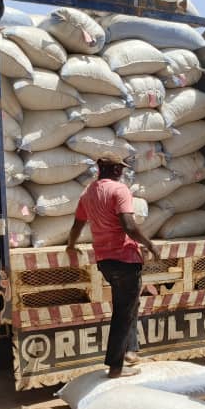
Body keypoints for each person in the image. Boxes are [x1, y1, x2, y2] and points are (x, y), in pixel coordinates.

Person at [66, 156, 158, 378]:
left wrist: (70, 245)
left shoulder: (88, 193)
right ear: (116, 169)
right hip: (125, 259)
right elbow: (129, 226)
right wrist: (150, 245)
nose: (123, 172)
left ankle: (130, 351)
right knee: (123, 312)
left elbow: (77, 224)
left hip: (105, 261)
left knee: (128, 305)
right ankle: (116, 367)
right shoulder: (119, 190)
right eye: (122, 169)